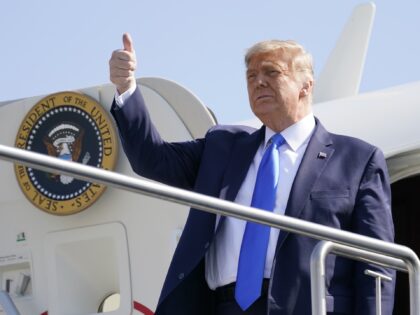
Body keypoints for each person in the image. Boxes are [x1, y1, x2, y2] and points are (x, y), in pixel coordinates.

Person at [109, 33, 395, 315]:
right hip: (223, 305)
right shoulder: (223, 147)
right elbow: (153, 159)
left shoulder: (357, 159)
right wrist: (126, 87)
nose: (258, 82)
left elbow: (376, 264)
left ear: (306, 85)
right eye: (251, 76)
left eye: (272, 72)